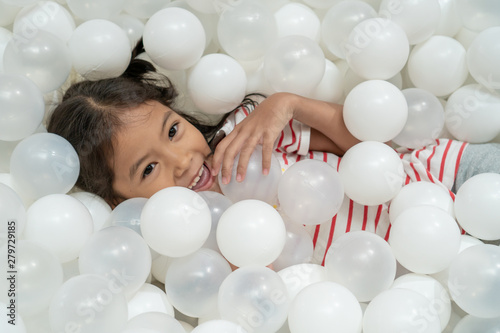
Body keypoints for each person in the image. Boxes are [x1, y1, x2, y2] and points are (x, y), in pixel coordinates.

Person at [48, 40, 499, 265]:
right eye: (149, 168)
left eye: (172, 131)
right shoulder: (188, 251)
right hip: (420, 260)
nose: (182, 161)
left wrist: (287, 105)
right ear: (121, 201)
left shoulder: (246, 136)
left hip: (442, 174)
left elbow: (367, 144)